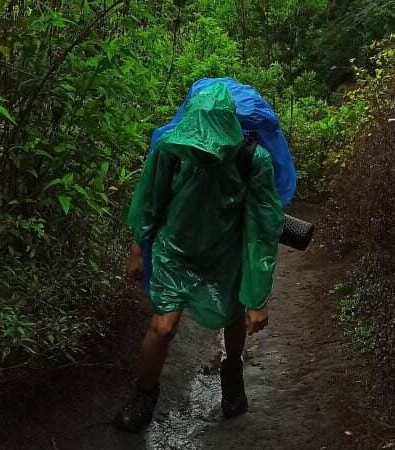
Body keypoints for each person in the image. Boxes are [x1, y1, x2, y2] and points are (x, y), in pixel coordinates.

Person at [113, 83, 284, 433]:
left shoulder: (253, 161)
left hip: (226, 256)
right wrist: (136, 248)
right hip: (174, 252)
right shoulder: (170, 149)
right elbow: (150, 202)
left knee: (233, 315)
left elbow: (260, 230)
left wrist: (257, 297)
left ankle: (232, 370)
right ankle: (143, 394)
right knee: (162, 327)